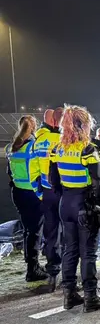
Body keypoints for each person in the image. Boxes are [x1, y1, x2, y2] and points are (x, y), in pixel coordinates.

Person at [48, 105, 100, 312]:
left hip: (65, 204)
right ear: (83, 125)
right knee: (88, 252)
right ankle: (91, 297)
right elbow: (98, 184)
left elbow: (52, 181)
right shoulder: (88, 149)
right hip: (85, 205)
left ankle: (69, 295)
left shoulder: (57, 149)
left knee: (70, 250)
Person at [6, 115, 47, 282]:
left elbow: (9, 172)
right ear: (33, 127)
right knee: (35, 232)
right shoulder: (33, 146)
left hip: (18, 193)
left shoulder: (11, 147)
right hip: (33, 194)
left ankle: (30, 262)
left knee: (27, 230)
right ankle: (32, 269)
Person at [32, 108, 64, 292]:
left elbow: (33, 170)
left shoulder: (39, 141)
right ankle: (70, 277)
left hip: (47, 193)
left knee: (51, 235)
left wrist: (39, 193)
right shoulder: (65, 141)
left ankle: (52, 276)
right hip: (66, 194)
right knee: (69, 235)